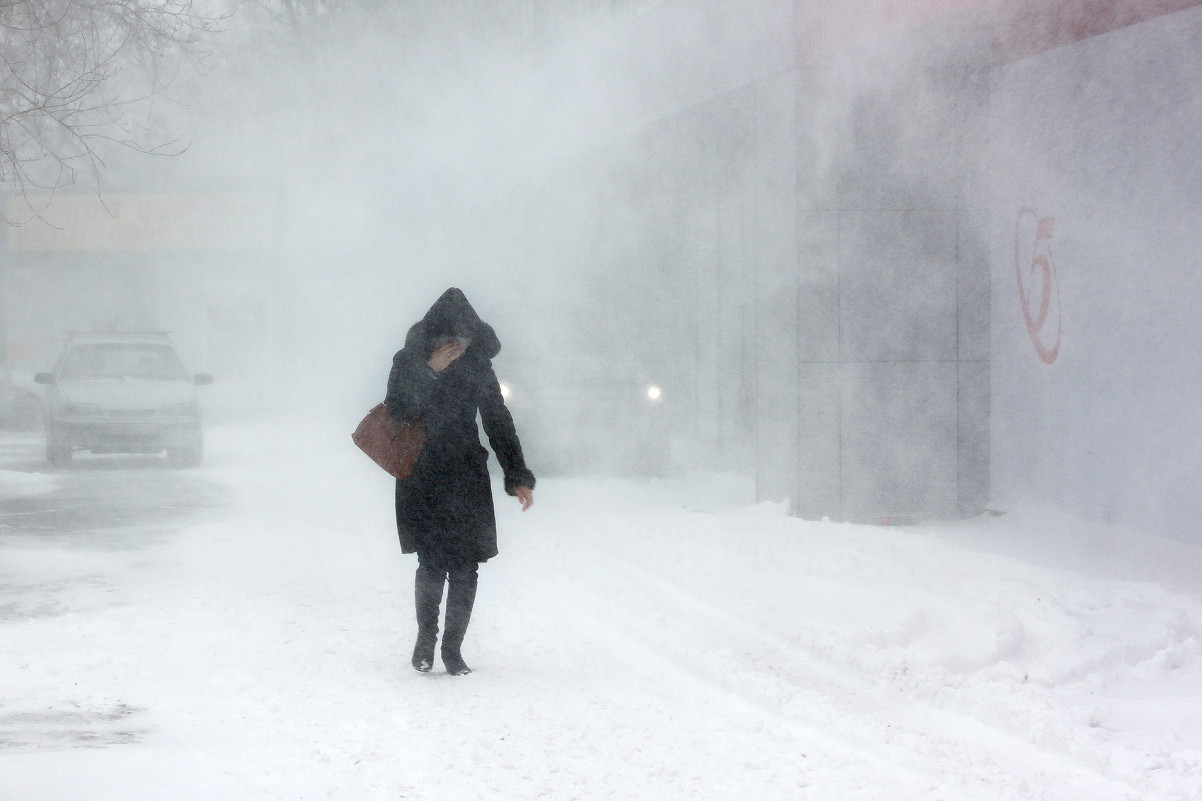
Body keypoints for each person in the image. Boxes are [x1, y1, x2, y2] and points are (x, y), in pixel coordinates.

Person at [385, 288, 535, 675]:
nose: (455, 345)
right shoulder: (408, 362)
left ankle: (453, 649)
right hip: (422, 474)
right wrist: (430, 370)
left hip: (467, 473)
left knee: (467, 566)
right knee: (432, 563)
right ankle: (425, 641)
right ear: (432, 335)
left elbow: (497, 420)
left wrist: (516, 473)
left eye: (462, 338)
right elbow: (399, 412)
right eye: (446, 337)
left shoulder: (478, 367)